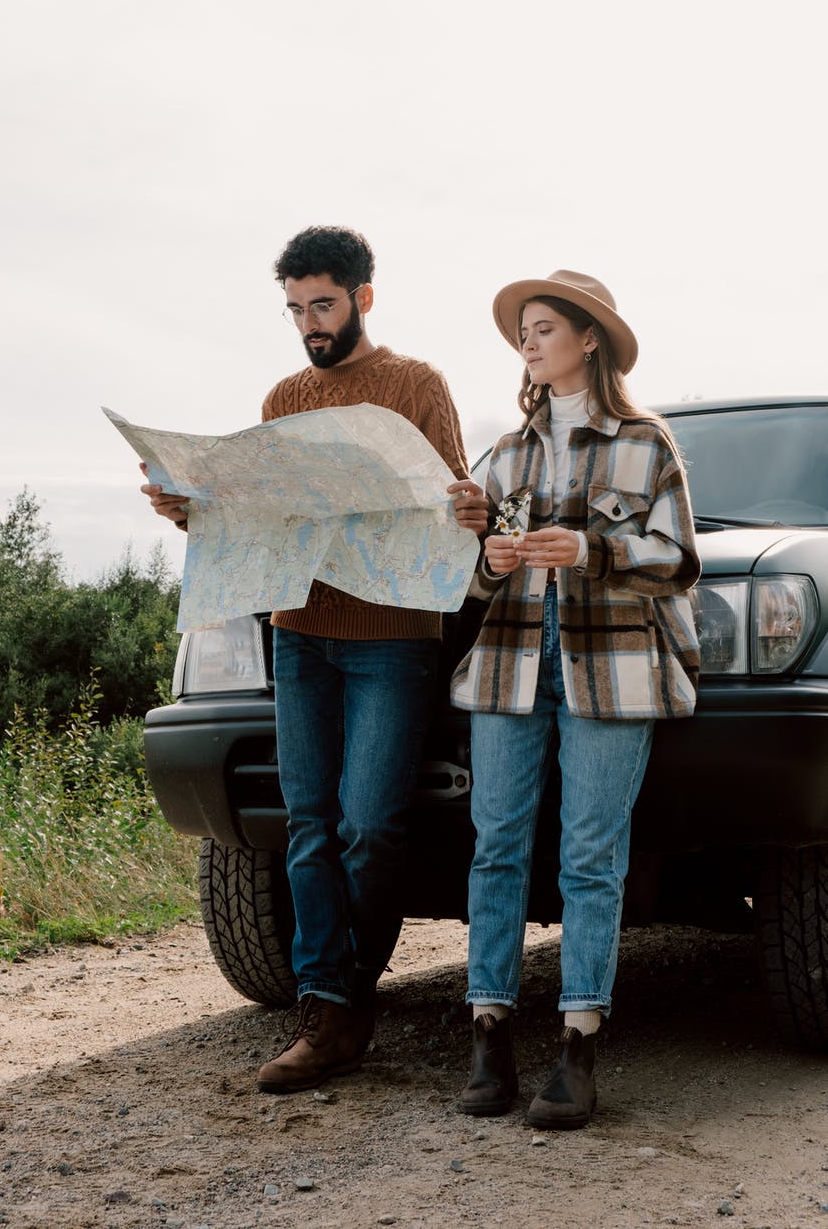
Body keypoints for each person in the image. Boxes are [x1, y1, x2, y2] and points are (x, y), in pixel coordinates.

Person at [142, 225, 487, 1093]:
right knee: (307, 828)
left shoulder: (415, 384)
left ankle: (347, 993)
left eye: (322, 305)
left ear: (363, 297)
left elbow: (444, 508)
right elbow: (261, 519)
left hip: (392, 641)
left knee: (367, 828)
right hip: (299, 635)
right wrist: (194, 511)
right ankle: (328, 1009)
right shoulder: (285, 394)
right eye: (295, 309)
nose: (308, 323)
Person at [450, 269, 700, 1128]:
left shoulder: (645, 443)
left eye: (544, 325)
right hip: (509, 664)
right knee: (495, 848)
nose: (528, 339)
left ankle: (577, 1044)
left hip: (614, 667)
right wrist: (491, 560)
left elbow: (677, 561)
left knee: (591, 857)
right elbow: (469, 586)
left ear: (588, 339)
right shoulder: (504, 454)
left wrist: (591, 551)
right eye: (523, 328)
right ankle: (488, 1034)